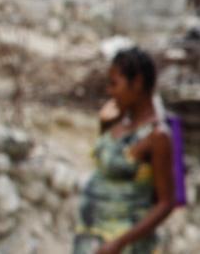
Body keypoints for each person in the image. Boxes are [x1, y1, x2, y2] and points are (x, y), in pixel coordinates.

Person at [75, 48, 177, 254]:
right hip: (91, 238)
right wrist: (105, 125)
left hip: (124, 246)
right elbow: (106, 169)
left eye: (115, 84)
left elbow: (166, 203)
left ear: (137, 83)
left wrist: (119, 243)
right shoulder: (119, 124)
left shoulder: (157, 136)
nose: (109, 91)